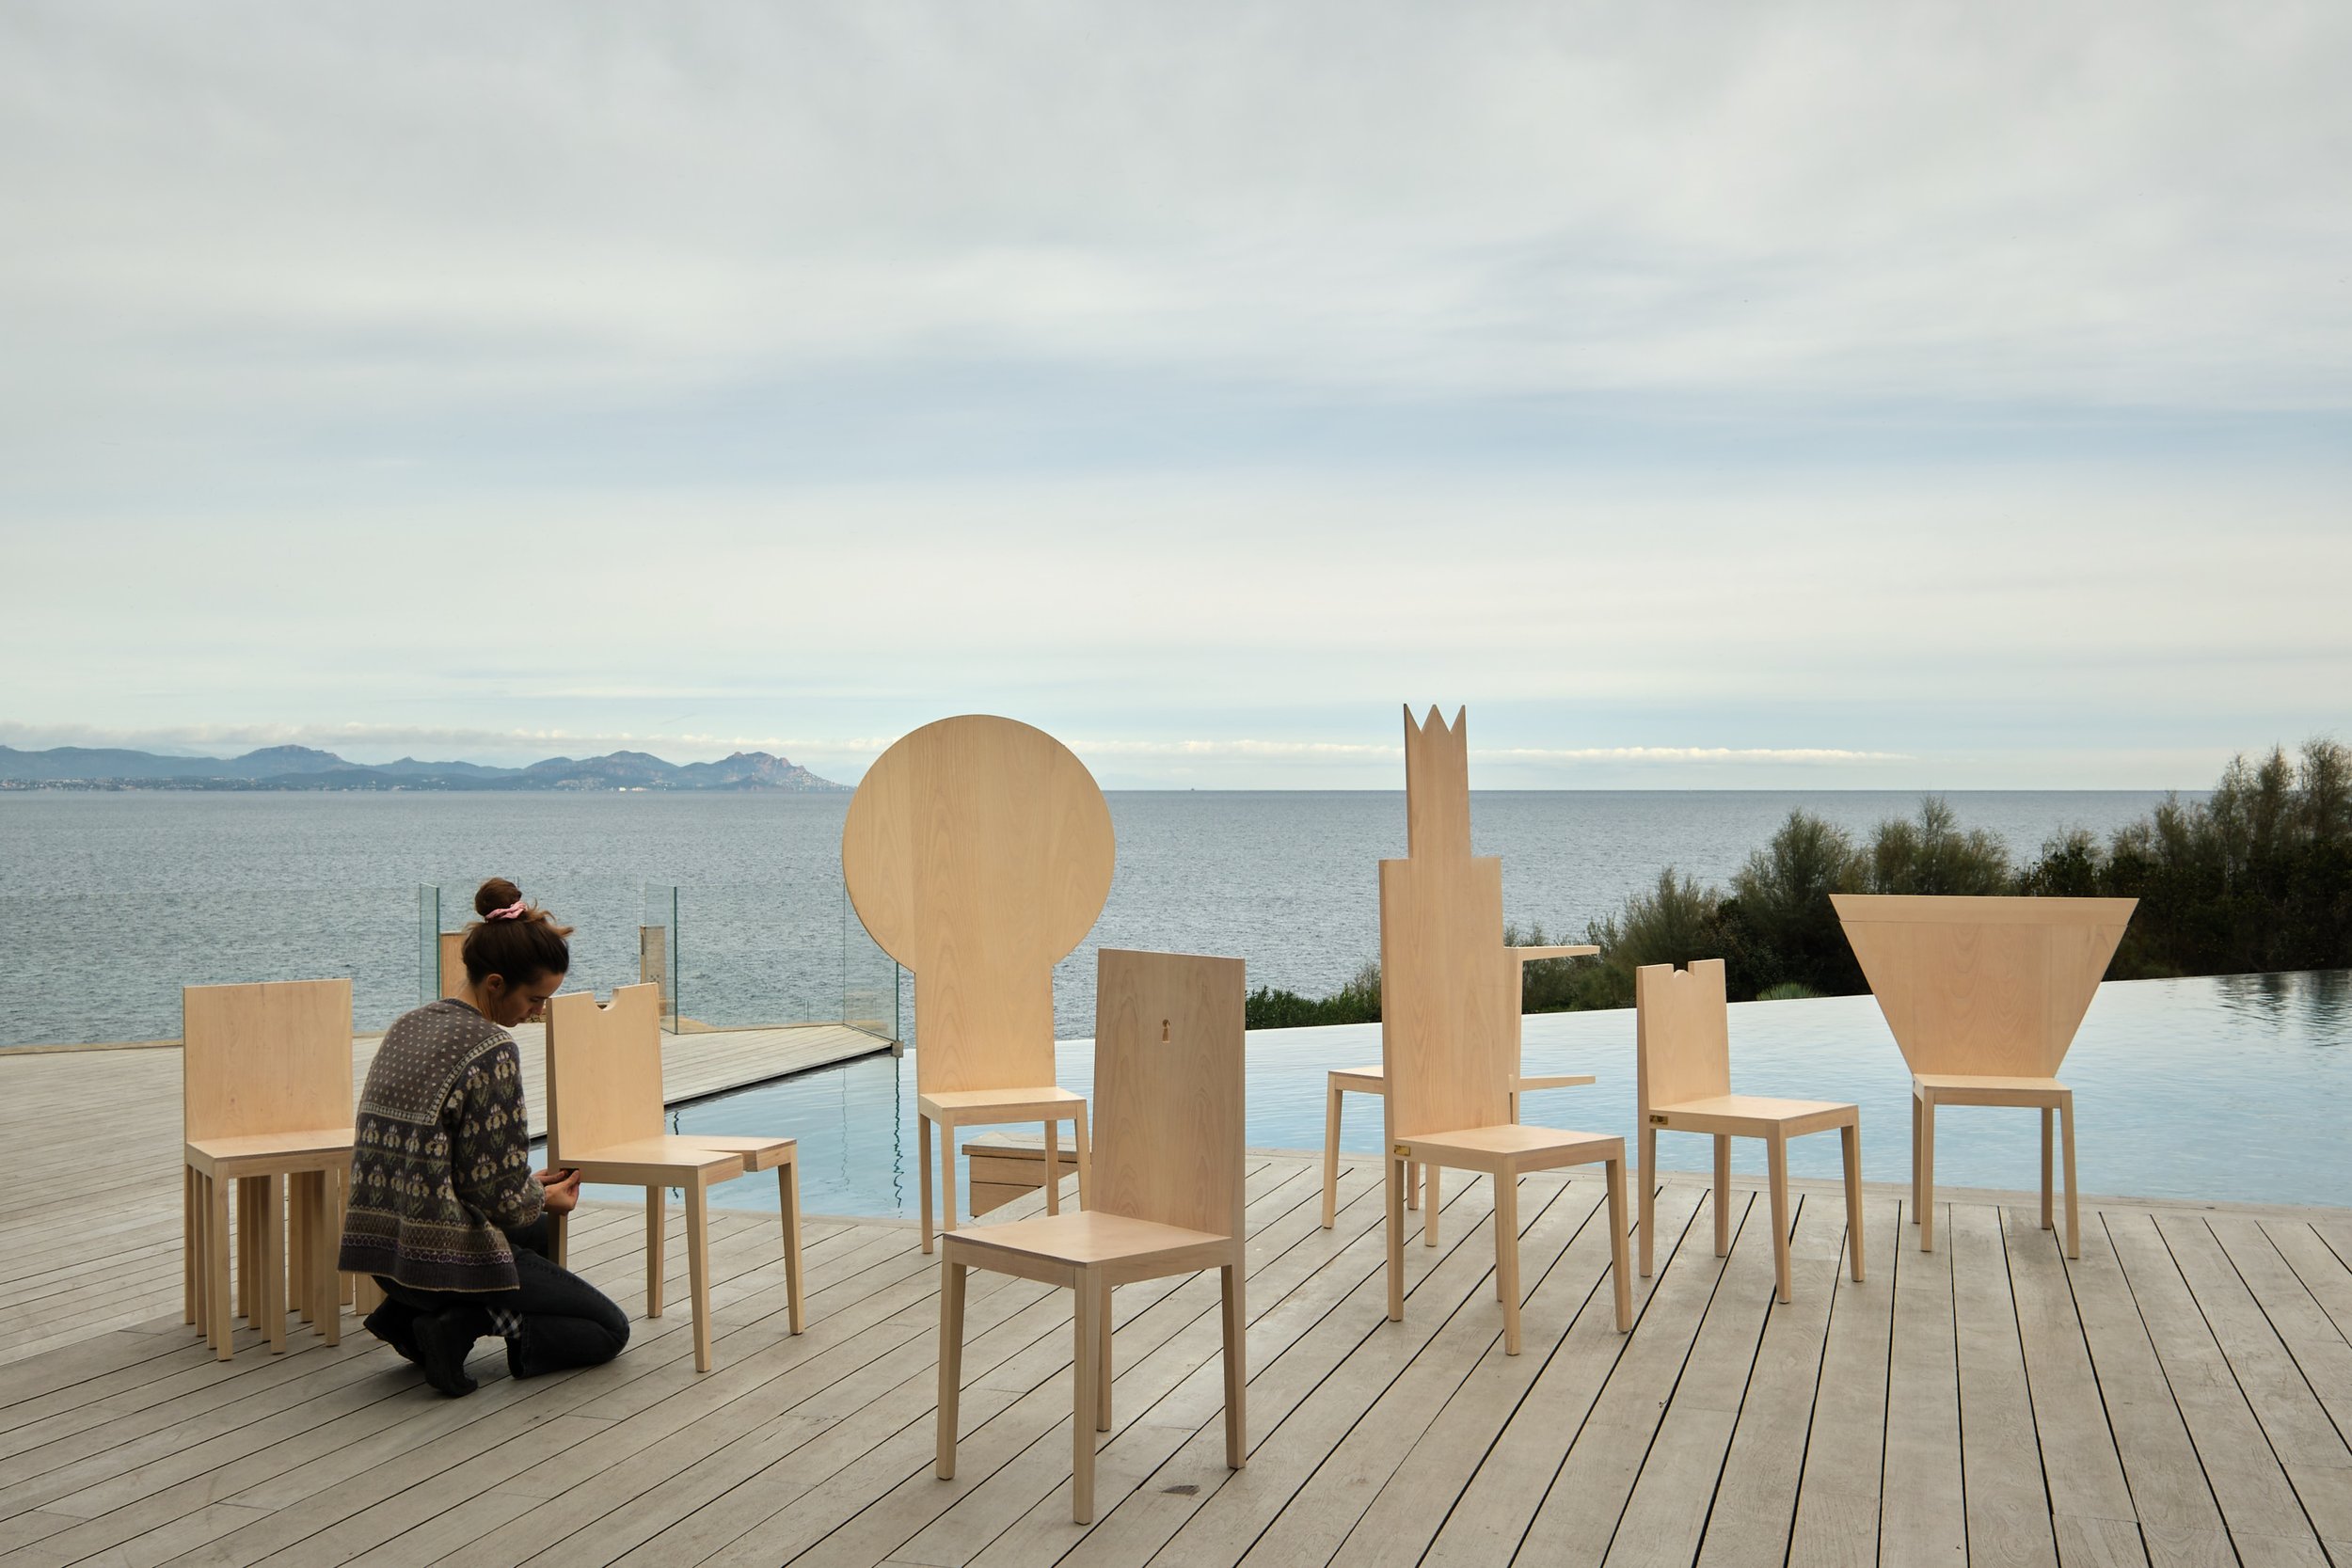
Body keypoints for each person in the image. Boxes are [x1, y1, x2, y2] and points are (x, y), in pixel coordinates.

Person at [338, 877, 629, 1395]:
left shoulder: (409, 1024)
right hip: (440, 1259)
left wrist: (530, 1194)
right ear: (495, 984)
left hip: (384, 1255)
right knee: (608, 1330)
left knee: (538, 1230)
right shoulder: (492, 1049)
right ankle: (461, 1323)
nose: (538, 1013)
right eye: (535, 999)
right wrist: (540, 1197)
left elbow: (456, 1170)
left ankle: (404, 1318)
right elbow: (499, 1199)